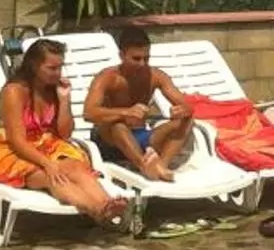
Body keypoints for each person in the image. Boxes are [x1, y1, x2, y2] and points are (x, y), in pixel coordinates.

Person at [0, 38, 127, 225]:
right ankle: (99, 210)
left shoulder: (53, 90)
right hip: (17, 154)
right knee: (53, 177)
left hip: (51, 146)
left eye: (60, 67)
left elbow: (65, 134)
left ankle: (107, 204)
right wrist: (47, 164)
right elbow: (16, 141)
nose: (58, 73)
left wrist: (64, 100)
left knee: (78, 168)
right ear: (33, 65)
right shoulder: (14, 92)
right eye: (51, 68)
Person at [81, 26, 196, 182]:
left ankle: (162, 165)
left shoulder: (155, 76)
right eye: (136, 58)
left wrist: (183, 110)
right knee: (118, 125)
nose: (142, 63)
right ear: (122, 55)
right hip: (110, 140)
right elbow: (89, 113)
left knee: (187, 120)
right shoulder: (108, 78)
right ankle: (144, 166)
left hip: (142, 136)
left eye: (146, 58)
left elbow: (187, 106)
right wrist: (126, 112)